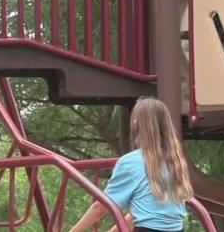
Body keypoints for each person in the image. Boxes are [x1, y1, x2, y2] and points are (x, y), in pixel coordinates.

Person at [70, 97, 192, 232]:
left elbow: (100, 208)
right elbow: (146, 212)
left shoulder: (130, 163)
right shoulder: (175, 161)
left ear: (136, 123)